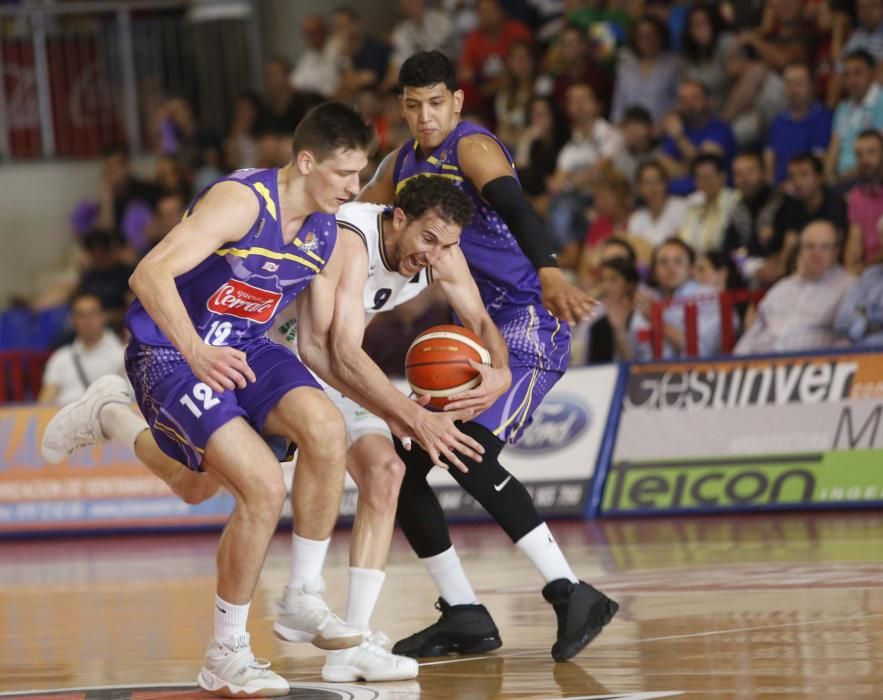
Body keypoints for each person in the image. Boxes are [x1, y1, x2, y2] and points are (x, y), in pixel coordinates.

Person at [39, 103, 480, 695]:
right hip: (173, 350)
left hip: (246, 347)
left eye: (361, 175)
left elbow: (325, 354)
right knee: (261, 489)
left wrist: (391, 411)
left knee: (323, 429)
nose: (356, 189)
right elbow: (148, 274)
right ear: (305, 161)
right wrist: (195, 351)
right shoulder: (243, 201)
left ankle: (302, 596)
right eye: (345, 175)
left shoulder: (326, 229)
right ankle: (226, 652)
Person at [359, 50, 617, 663]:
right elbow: (355, 209)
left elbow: (520, 209)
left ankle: (571, 592)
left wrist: (551, 273)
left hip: (527, 322)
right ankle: (464, 613)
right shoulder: (401, 163)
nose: (426, 117)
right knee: (402, 471)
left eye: (437, 103)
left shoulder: (472, 147)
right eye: (414, 106)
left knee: (468, 450)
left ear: (458, 101)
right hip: (470, 330)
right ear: (403, 106)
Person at [270, 175, 512, 681]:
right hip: (279, 355)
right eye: (428, 239)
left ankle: (350, 644)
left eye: (447, 245)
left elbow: (482, 321)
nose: (436, 254)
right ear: (398, 218)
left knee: (386, 471)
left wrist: (499, 370)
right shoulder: (350, 239)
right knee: (196, 483)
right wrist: (413, 416)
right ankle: (113, 411)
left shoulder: (440, 250)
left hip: (336, 366)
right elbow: (339, 350)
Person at [735, 220, 855, 354]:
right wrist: (734, 365)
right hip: (761, 364)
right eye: (810, 246)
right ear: (800, 250)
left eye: (825, 247)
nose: (816, 253)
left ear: (836, 251)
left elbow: (848, 340)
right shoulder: (781, 288)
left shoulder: (850, 287)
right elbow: (752, 333)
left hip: (810, 367)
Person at [38, 292, 127, 406]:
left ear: (103, 316)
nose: (87, 320)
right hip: (66, 417)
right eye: (81, 315)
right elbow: (45, 402)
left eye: (92, 314)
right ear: (73, 320)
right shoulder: (60, 357)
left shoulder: (124, 355)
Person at [764, 62, 832, 186]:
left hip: (806, 188)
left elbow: (818, 162)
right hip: (778, 190)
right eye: (789, 83)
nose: (793, 89)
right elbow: (769, 156)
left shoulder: (823, 117)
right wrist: (770, 186)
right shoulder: (778, 120)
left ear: (812, 85)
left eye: (799, 83)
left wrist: (791, 185)